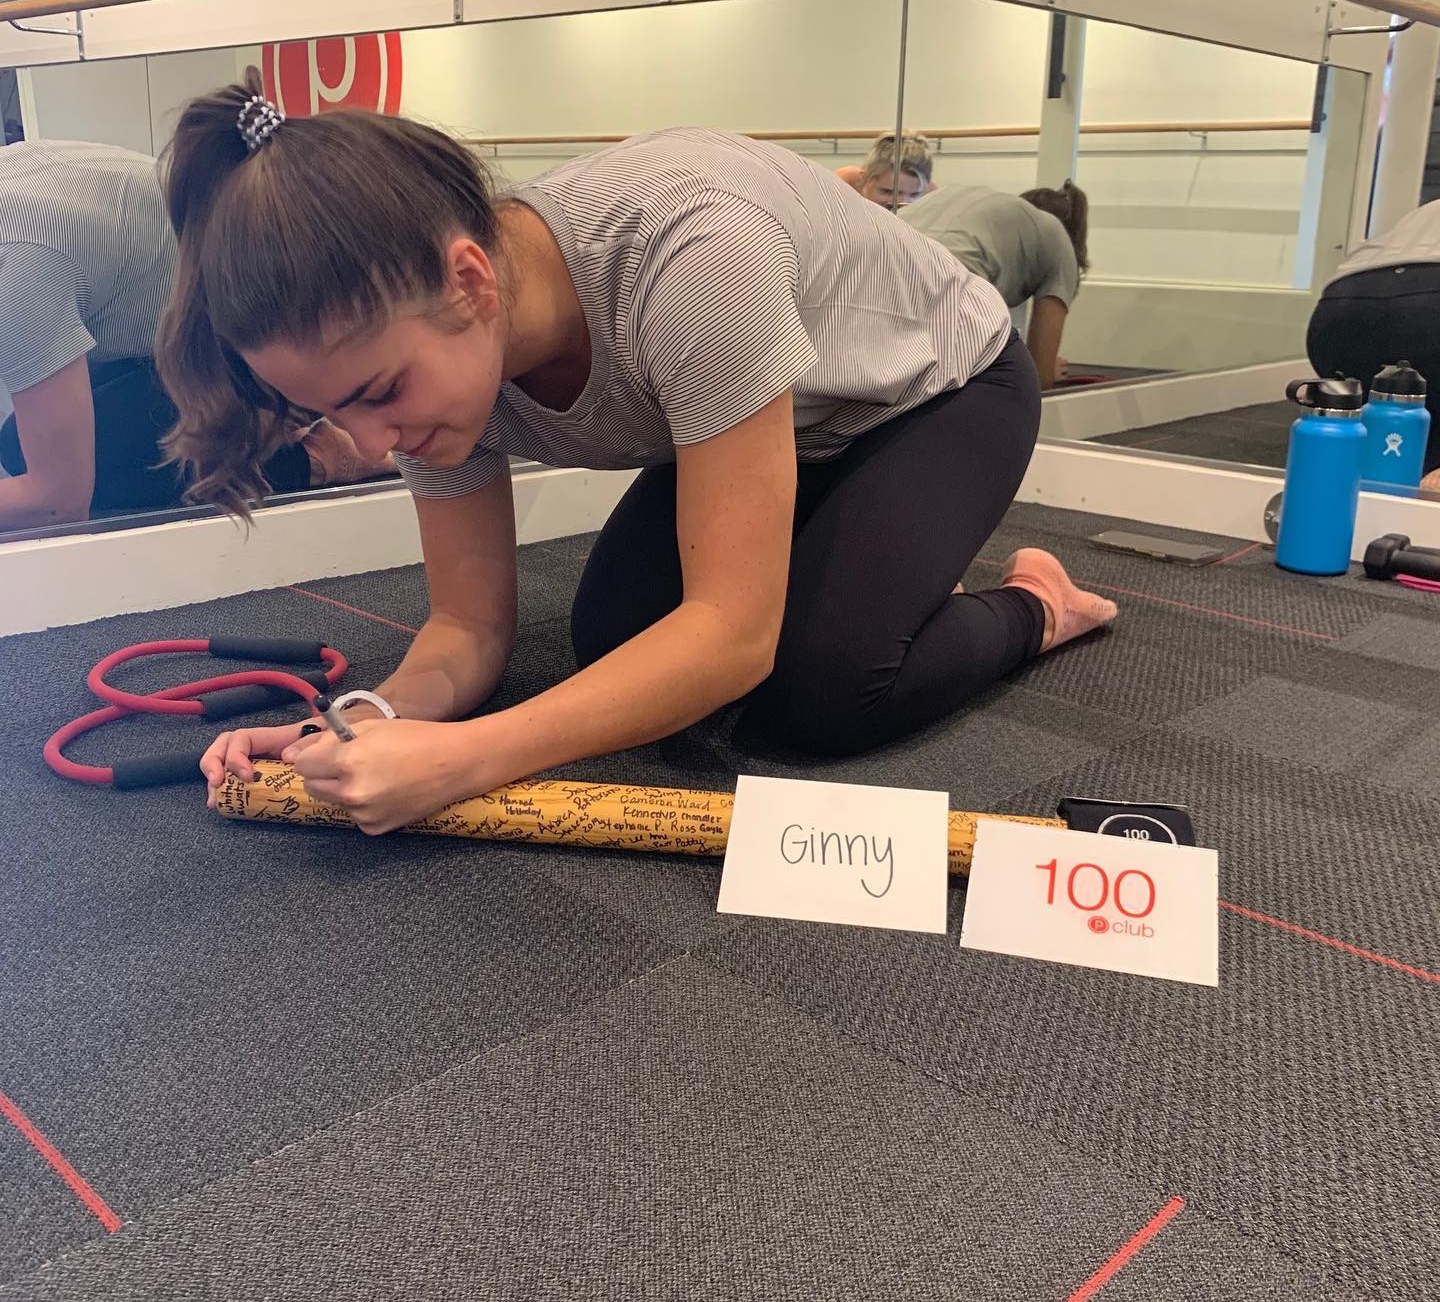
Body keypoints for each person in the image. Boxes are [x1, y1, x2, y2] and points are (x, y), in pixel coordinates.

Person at [163, 71, 1117, 834]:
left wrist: (464, 760)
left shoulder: (695, 260)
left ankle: (1038, 604)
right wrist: (357, 723)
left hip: (941, 388)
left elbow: (732, 636)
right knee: (617, 646)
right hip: (786, 420)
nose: (372, 444)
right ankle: (882, 563)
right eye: (332, 412)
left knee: (821, 693)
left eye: (378, 395)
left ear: (471, 282)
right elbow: (467, 625)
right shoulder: (428, 349)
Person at [0, 139, 389, 531]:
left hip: (281, 346)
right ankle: (268, 424)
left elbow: (57, 503)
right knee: (20, 439)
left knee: (28, 455)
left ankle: (313, 458)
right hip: (227, 322)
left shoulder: (15, 272)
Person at [901, 181, 1089, 391]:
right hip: (948, 280)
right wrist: (1047, 371)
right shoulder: (1060, 242)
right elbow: (1040, 379)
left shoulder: (995, 212)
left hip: (885, 261)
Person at [1307, 199, 1440, 488]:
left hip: (1343, 303)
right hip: (1430, 305)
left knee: (1388, 438)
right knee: (1414, 441)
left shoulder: (1428, 210)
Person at [834, 130, 936, 209]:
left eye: (914, 194)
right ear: (864, 179)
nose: (902, 203)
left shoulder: (931, 194)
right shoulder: (841, 185)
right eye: (888, 192)